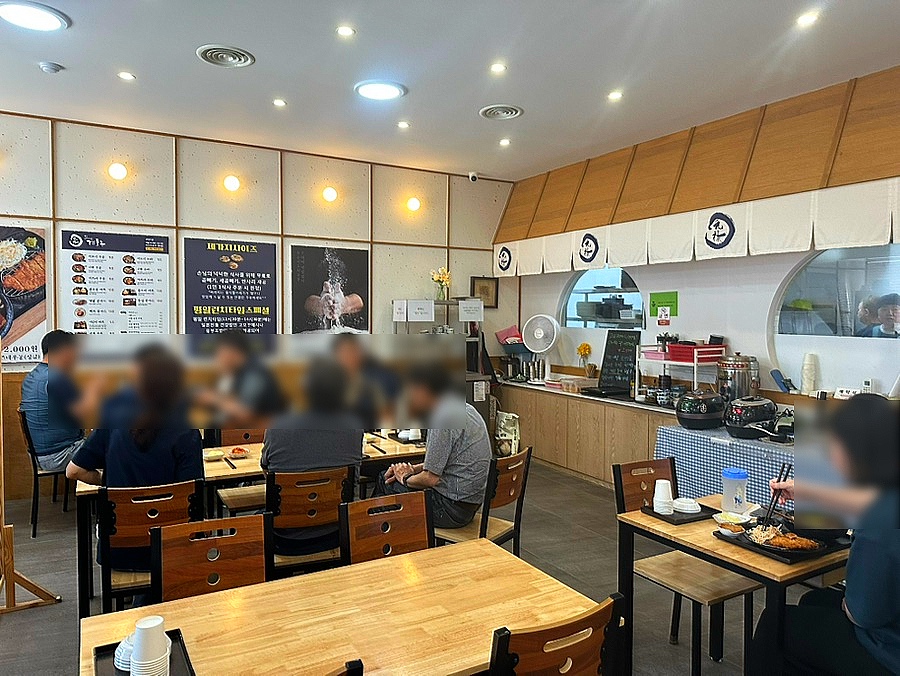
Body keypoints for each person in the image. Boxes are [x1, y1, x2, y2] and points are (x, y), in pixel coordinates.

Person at [749, 394, 899, 675]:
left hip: (888, 653)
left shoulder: (877, 524)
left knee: (774, 623)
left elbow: (864, 614)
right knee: (812, 601)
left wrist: (847, 604)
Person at [66, 345, 203, 570]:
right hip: (171, 549)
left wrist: (106, 480)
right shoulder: (185, 427)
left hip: (118, 550)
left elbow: (73, 471)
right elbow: (194, 491)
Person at [261, 359, 363, 555]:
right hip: (340, 532)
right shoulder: (354, 427)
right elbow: (355, 478)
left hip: (284, 538)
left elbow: (267, 472)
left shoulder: (277, 426)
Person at [375, 364, 491, 529]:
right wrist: (411, 469)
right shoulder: (467, 409)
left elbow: (430, 479)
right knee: (394, 478)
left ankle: (381, 538)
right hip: (469, 504)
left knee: (385, 480)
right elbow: (445, 462)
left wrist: (405, 478)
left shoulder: (441, 418)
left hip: (450, 510)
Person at [20, 330, 102, 472]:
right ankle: (104, 485)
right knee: (118, 450)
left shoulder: (32, 376)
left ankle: (98, 484)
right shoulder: (57, 378)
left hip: (39, 456)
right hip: (60, 455)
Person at [195, 330, 286, 429]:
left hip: (264, 430)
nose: (217, 358)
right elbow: (227, 403)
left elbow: (244, 413)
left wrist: (213, 398)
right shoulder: (235, 371)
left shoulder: (254, 374)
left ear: (232, 352)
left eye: (220, 353)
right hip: (240, 428)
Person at [332, 333, 387, 430]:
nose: (350, 356)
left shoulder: (371, 383)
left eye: (353, 351)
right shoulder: (328, 383)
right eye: (345, 352)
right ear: (336, 355)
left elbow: (384, 415)